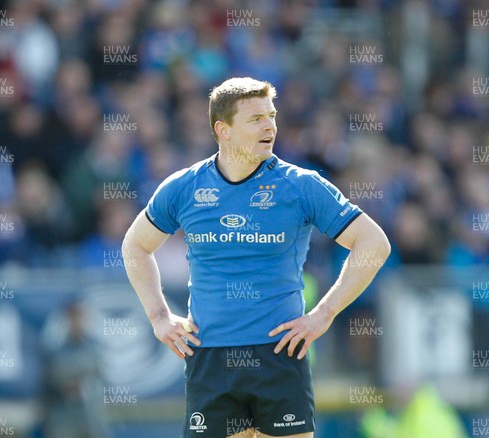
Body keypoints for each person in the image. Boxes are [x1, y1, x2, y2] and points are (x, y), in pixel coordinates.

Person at [122, 77, 390, 438]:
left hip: (279, 353)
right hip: (210, 358)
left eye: (272, 116)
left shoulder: (300, 185)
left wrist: (324, 313)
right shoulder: (184, 188)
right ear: (223, 130)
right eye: (256, 119)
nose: (269, 126)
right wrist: (158, 316)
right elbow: (135, 246)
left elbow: (373, 244)